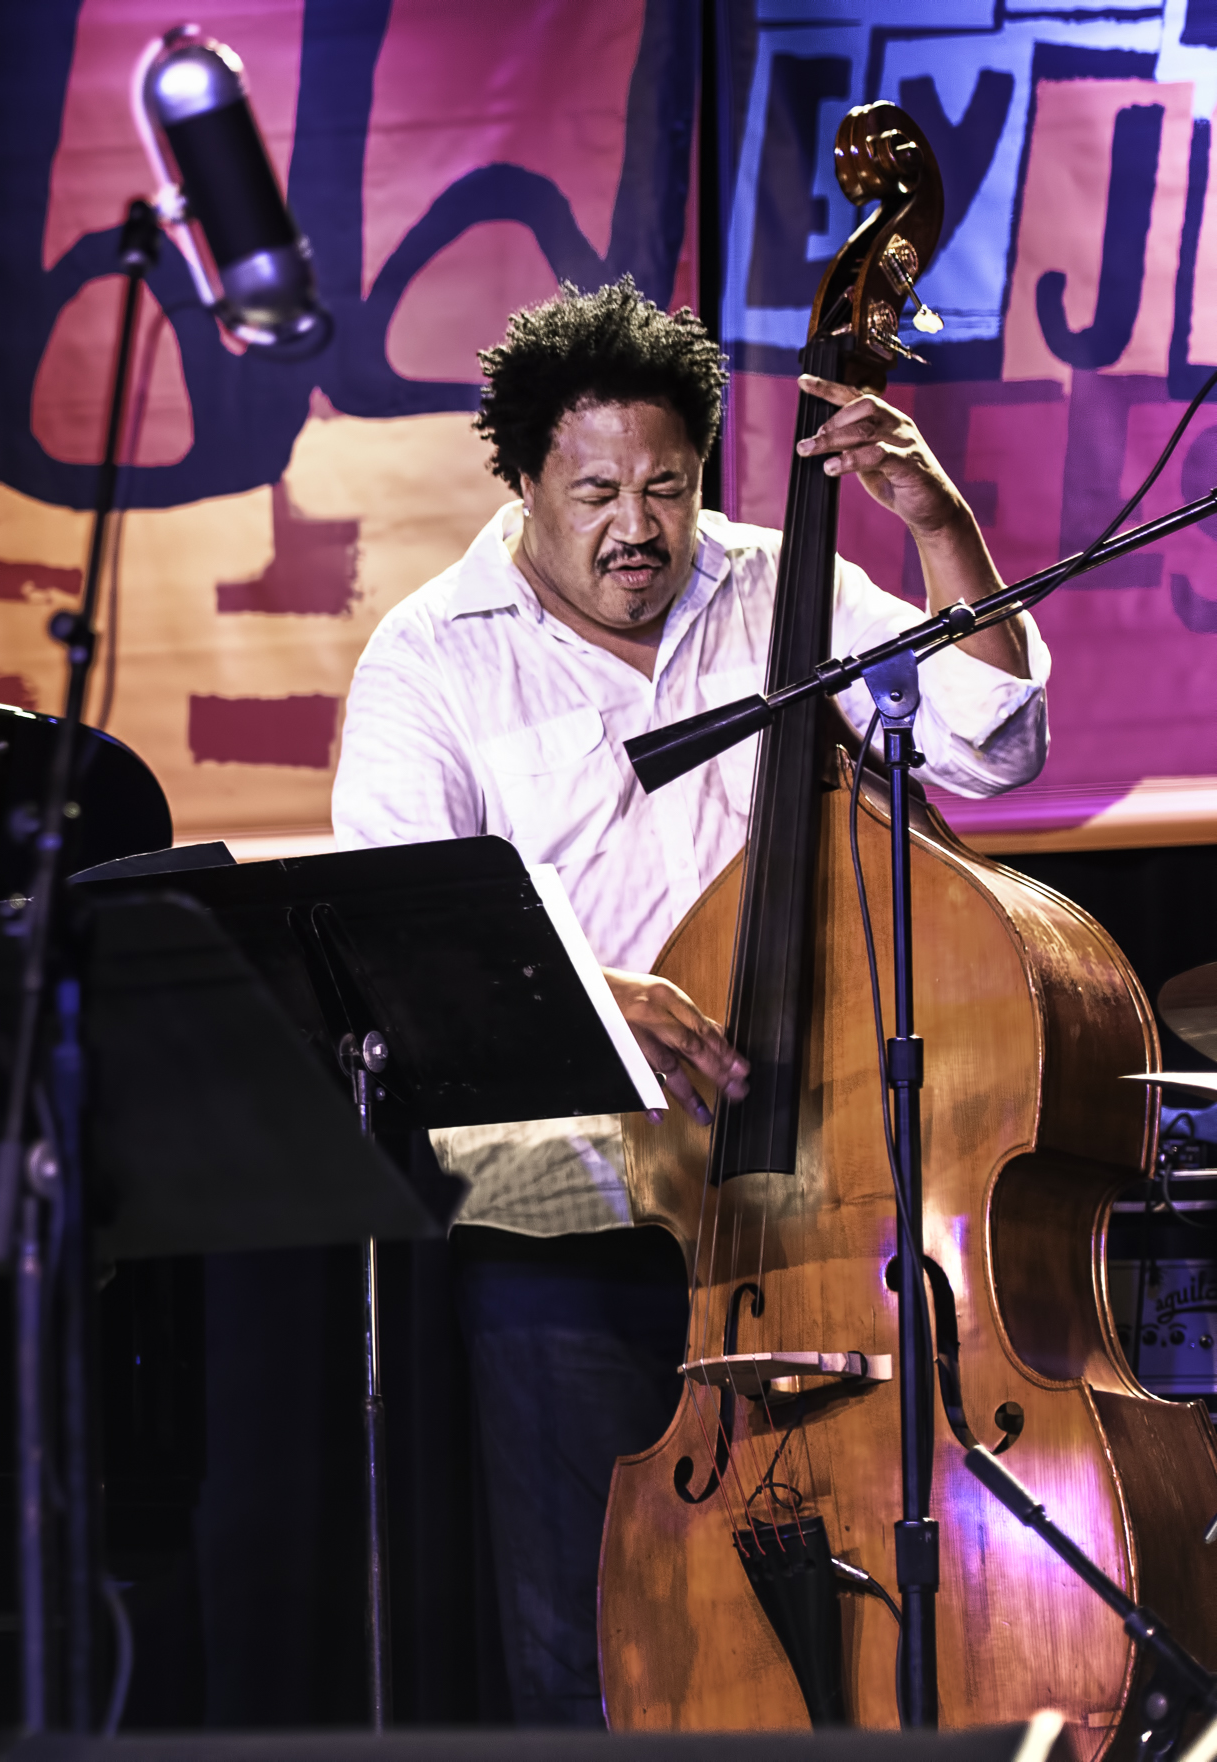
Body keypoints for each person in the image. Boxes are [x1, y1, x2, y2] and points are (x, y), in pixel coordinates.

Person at [331, 281, 1045, 1723]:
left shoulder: (777, 584)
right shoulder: (429, 656)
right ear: (524, 479)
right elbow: (392, 947)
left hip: (811, 1212)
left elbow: (996, 745)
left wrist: (938, 525)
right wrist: (589, 994)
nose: (636, 526)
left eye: (665, 484)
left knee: (867, 1641)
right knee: (597, 1655)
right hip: (570, 1221)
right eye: (594, 490)